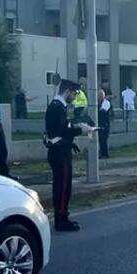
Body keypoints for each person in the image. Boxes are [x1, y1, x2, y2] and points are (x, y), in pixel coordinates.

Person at [47, 79, 93, 231]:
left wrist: (77, 127)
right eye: (75, 93)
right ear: (67, 91)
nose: (75, 96)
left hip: (61, 150)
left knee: (64, 185)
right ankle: (61, 219)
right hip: (60, 152)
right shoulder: (57, 107)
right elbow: (61, 131)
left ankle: (63, 216)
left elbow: (64, 127)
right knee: (63, 186)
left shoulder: (59, 106)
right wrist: (80, 130)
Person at [97, 88, 112, 158]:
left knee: (104, 139)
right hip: (99, 123)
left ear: (103, 96)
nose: (99, 97)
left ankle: (105, 153)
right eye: (99, 95)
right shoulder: (97, 103)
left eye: (101, 95)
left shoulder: (107, 102)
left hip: (105, 124)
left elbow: (102, 111)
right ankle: (102, 153)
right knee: (100, 139)